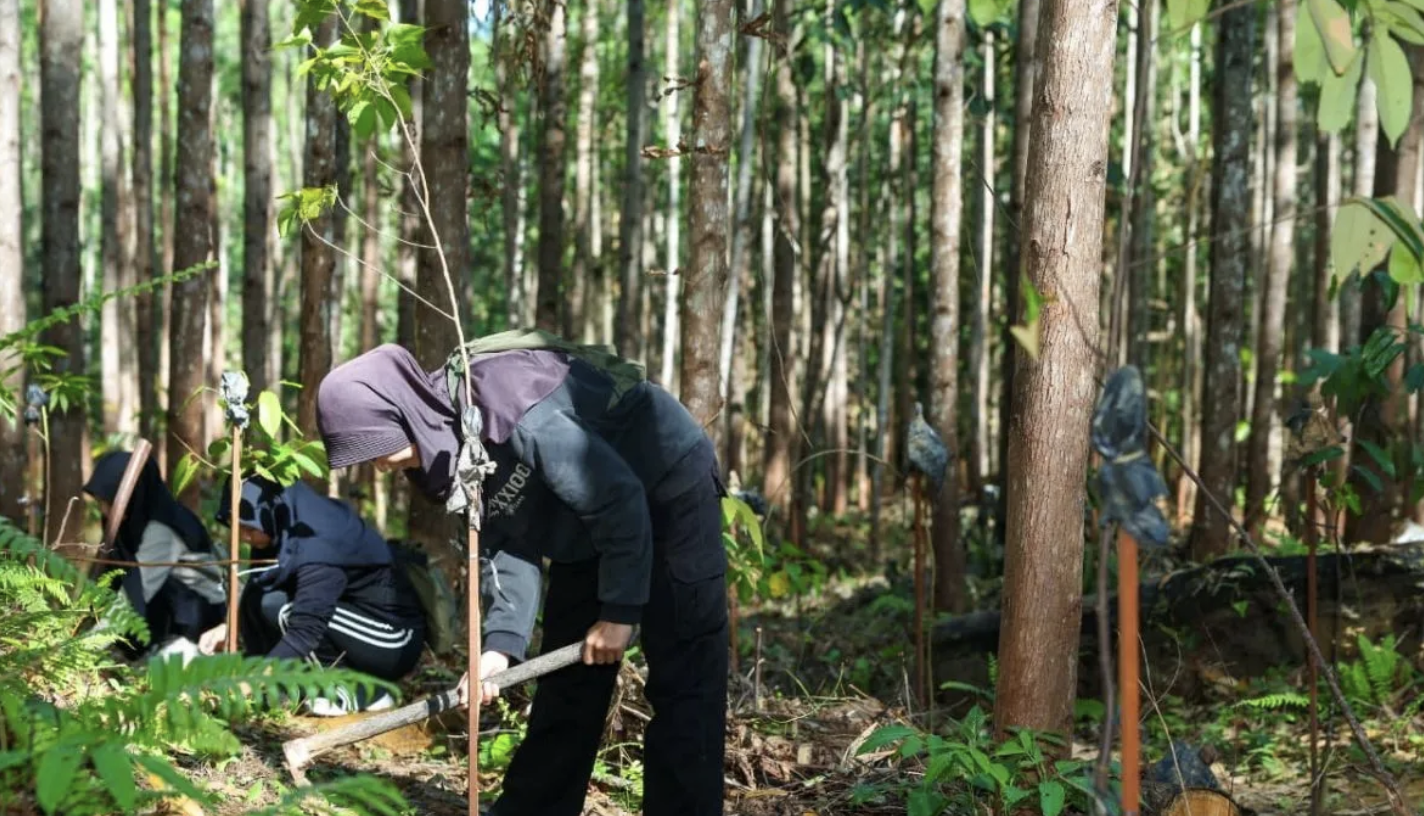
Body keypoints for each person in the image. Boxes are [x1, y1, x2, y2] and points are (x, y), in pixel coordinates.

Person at [314, 340, 728, 816]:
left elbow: (617, 497)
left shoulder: (511, 407)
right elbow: (506, 540)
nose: (378, 466)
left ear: (400, 412)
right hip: (585, 527)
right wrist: (499, 648)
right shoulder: (450, 446)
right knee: (568, 682)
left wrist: (619, 612)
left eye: (374, 447)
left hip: (664, 484)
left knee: (685, 680)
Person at [199, 474, 427, 716]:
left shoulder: (319, 544)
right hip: (347, 617)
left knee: (287, 611)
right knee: (267, 601)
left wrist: (251, 681)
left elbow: (305, 631)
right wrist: (229, 628)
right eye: (236, 525)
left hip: (391, 637)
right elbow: (257, 589)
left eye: (248, 527)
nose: (244, 536)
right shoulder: (281, 522)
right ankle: (289, 685)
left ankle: (360, 690)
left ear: (271, 511)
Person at [82, 450, 227, 662]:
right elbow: (107, 584)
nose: (104, 511)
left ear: (134, 496)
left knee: (141, 584)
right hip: (159, 614)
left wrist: (82, 649)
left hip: (196, 620)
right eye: (100, 502)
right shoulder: (130, 524)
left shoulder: (162, 529)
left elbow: (130, 600)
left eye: (109, 502)